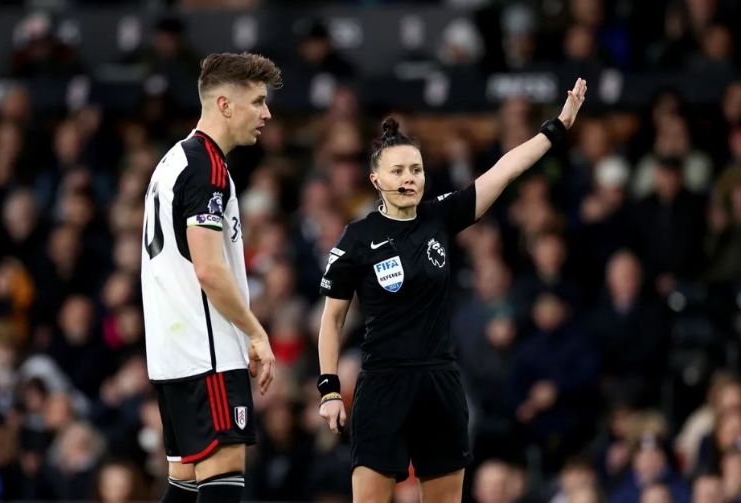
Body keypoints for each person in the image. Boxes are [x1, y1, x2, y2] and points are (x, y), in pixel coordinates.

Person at [317, 78, 587, 502]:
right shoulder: (357, 237)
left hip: (439, 383)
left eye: (416, 169)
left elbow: (504, 169)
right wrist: (330, 390)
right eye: (398, 170)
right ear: (375, 180)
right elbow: (332, 319)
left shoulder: (440, 217)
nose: (409, 178)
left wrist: (557, 126)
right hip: (383, 384)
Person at [141, 52, 281, 503]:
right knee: (223, 480)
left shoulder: (171, 163)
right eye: (257, 101)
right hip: (207, 353)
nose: (267, 113)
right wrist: (256, 333)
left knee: (184, 485)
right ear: (224, 104)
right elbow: (208, 268)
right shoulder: (208, 167)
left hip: (172, 355)